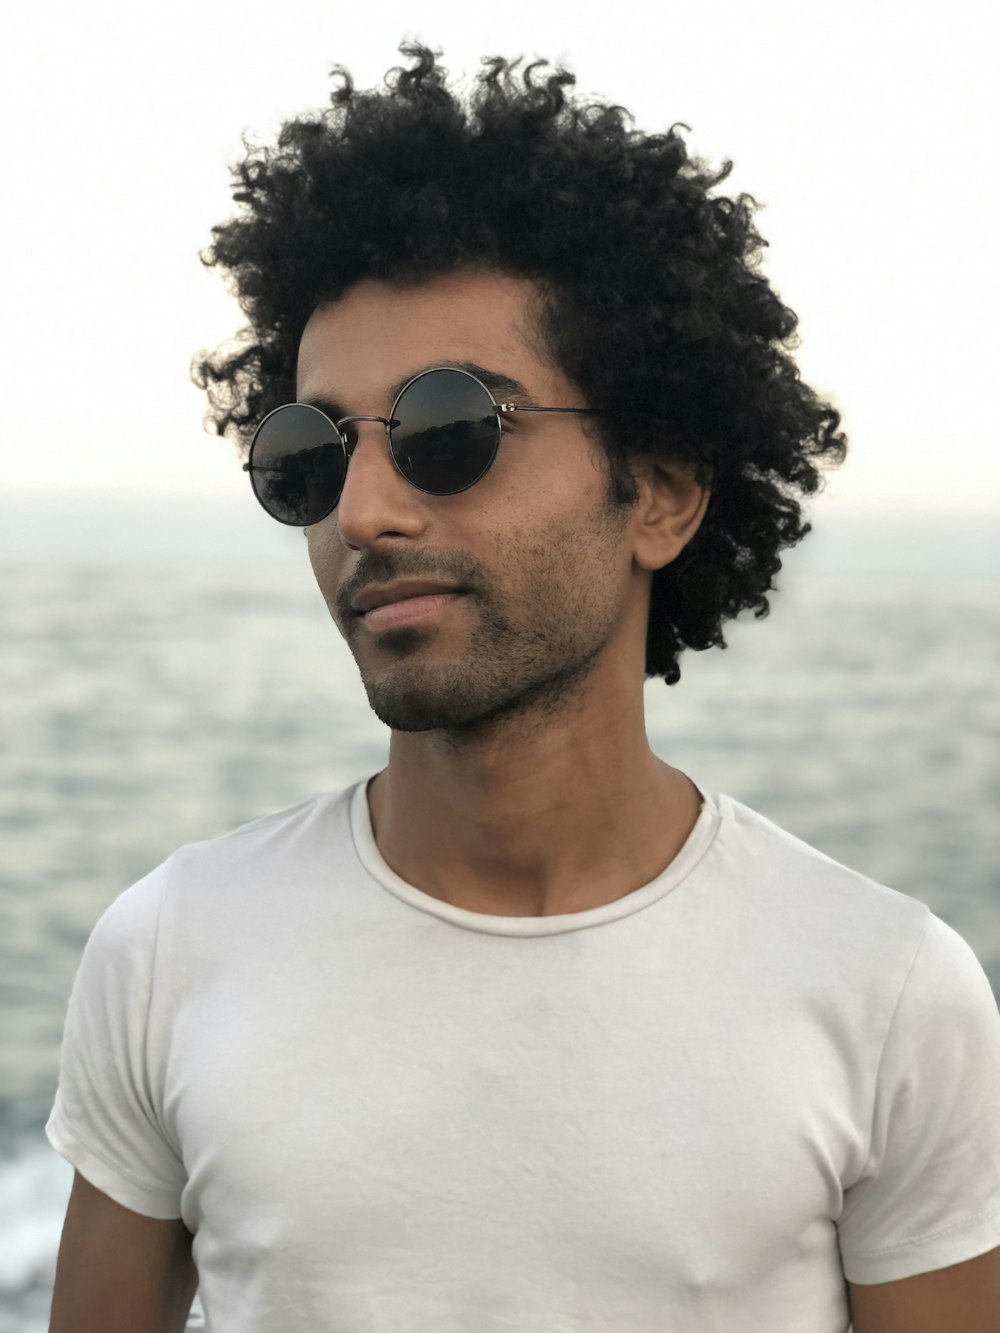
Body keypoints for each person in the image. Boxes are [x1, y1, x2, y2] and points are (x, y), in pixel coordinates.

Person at [47, 40, 1000, 1333]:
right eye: (310, 456)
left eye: (451, 428)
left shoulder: (889, 998)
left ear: (657, 491)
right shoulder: (167, 952)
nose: (366, 511)